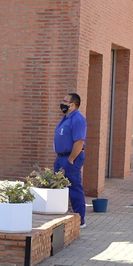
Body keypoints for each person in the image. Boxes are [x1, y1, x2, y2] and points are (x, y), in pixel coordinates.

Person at [54, 93, 88, 223]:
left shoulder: (77, 119)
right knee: (59, 188)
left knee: (73, 188)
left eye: (65, 101)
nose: (61, 102)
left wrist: (71, 159)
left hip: (70, 158)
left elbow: (79, 141)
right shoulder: (66, 118)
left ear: (72, 104)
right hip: (61, 158)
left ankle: (80, 220)